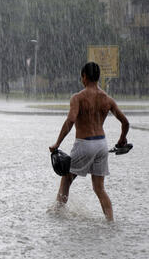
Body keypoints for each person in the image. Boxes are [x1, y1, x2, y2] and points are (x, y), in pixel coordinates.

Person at [49, 62, 129, 221]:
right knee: (99, 188)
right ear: (98, 77)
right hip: (101, 144)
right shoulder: (107, 99)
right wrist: (122, 139)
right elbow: (125, 122)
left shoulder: (78, 97)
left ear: (84, 77)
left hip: (84, 143)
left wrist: (57, 144)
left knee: (66, 178)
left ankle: (57, 213)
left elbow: (71, 120)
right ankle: (110, 222)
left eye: (82, 77)